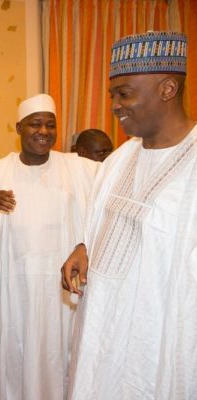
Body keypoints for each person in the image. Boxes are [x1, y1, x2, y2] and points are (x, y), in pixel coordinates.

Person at [61, 31, 197, 398]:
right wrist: (83, 246)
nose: (115, 106)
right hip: (101, 334)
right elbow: (101, 225)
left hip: (157, 346)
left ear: (167, 89)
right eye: (112, 96)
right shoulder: (118, 160)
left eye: (125, 94)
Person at [0, 94, 98, 400]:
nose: (43, 131)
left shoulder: (79, 168)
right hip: (13, 294)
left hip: (62, 296)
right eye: (35, 124)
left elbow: (109, 203)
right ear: (18, 128)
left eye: (50, 125)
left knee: (62, 360)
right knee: (13, 361)